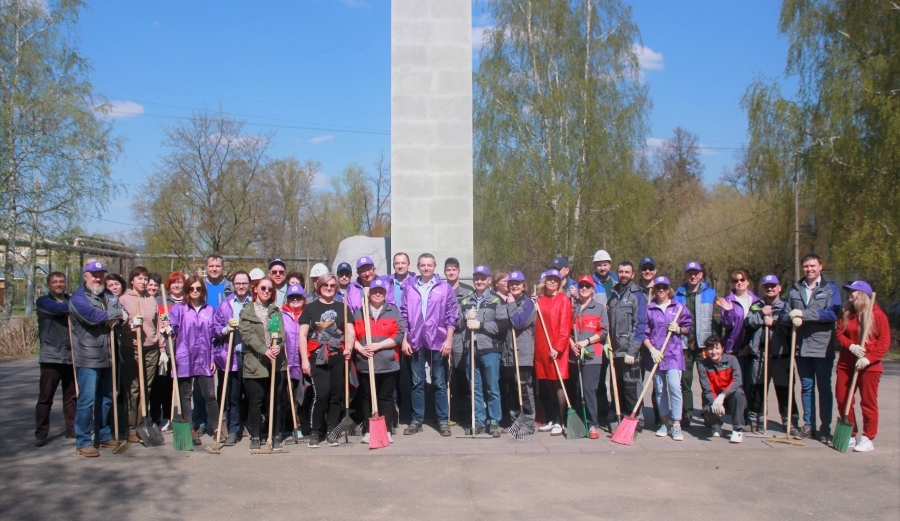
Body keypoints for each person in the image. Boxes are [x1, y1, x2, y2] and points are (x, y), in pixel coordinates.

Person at [68, 261, 127, 457]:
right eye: (93, 274)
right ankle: (83, 441)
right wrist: (117, 314)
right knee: (87, 400)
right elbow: (92, 316)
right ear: (85, 275)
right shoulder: (78, 298)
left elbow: (122, 315)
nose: (97, 278)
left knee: (107, 398)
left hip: (109, 355)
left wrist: (117, 316)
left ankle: (103, 435)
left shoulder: (109, 295)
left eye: (100, 274)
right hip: (88, 357)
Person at [782, 253, 842, 442]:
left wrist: (805, 314)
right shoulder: (795, 289)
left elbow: (832, 314)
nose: (809, 269)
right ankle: (809, 426)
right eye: (806, 266)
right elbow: (785, 312)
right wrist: (790, 316)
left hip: (822, 347)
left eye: (813, 266)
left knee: (824, 388)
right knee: (806, 388)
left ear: (820, 267)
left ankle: (825, 428)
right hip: (800, 347)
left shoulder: (830, 289)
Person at [400, 253, 457, 437]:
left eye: (429, 265)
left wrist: (448, 339)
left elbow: (451, 315)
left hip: (438, 341)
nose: (426, 268)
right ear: (417, 267)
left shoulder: (444, 288)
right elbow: (403, 316)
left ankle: (442, 420)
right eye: (423, 265)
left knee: (440, 382)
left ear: (435, 266)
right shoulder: (409, 288)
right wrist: (405, 339)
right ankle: (418, 419)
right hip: (416, 341)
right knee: (417, 382)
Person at [298, 272, 355, 448]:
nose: (329, 288)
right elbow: (302, 335)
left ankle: (332, 431)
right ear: (319, 287)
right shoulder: (310, 308)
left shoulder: (343, 308)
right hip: (317, 356)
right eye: (325, 285)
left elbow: (350, 332)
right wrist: (304, 360)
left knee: (336, 395)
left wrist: (349, 348)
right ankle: (315, 430)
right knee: (321, 393)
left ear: (336, 288)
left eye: (332, 286)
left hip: (337, 356)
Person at [835, 280, 890, 452]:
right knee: (843, 399)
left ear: (863, 294)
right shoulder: (846, 312)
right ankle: (850, 434)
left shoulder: (877, 314)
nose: (849, 294)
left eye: (853, 291)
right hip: (846, 362)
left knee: (868, 402)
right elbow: (838, 333)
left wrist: (869, 358)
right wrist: (851, 345)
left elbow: (884, 341)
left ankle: (868, 437)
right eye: (848, 291)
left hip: (869, 366)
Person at [167, 275, 221, 445]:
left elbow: (214, 337)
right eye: (191, 289)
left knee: (209, 394)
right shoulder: (179, 309)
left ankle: (217, 427)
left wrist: (212, 358)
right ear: (187, 290)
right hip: (185, 356)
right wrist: (167, 328)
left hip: (204, 357)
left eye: (198, 288)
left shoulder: (210, 310)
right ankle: (189, 429)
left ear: (202, 290)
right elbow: (172, 329)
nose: (195, 291)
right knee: (185, 394)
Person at [744, 274, 798, 434]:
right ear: (762, 288)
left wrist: (774, 322)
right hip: (760, 354)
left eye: (773, 286)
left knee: (785, 390)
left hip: (781, 355)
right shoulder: (756, 305)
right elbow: (747, 323)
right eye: (766, 286)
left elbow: (789, 328)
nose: (770, 288)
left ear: (779, 288)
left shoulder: (787, 306)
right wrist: (761, 314)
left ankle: (790, 422)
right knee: (757, 389)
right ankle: (756, 421)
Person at [353, 278, 404, 443]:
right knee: (367, 397)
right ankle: (369, 430)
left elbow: (399, 335)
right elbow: (350, 335)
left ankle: (387, 428)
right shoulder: (360, 312)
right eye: (374, 291)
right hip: (365, 362)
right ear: (369, 294)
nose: (377, 294)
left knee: (385, 397)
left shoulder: (393, 311)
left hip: (387, 363)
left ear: (385, 294)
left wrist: (377, 346)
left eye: (380, 292)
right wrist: (361, 349)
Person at [240, 276, 287, 452]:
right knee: (256, 401)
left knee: (275, 401)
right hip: (256, 362)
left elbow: (282, 333)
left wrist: (277, 347)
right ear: (256, 290)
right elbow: (247, 335)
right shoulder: (247, 311)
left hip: (276, 362)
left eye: (270, 289)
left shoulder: (276, 311)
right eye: (263, 288)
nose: (266, 291)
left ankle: (274, 435)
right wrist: (264, 349)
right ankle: (255, 436)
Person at [643, 276, 692, 441]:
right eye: (658, 287)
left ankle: (676, 423)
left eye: (664, 287)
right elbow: (644, 333)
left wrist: (679, 329)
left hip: (674, 354)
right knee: (660, 390)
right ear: (654, 290)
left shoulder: (678, 307)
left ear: (669, 289)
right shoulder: (649, 309)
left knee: (674, 388)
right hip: (657, 355)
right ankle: (664, 422)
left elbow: (688, 327)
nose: (661, 290)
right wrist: (651, 350)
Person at [459, 265, 506, 436]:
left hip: (490, 349)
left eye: (483, 278)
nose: (479, 281)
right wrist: (465, 318)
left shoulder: (496, 300)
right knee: (475, 388)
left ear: (488, 281)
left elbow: (502, 325)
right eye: (476, 278)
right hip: (471, 349)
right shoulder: (466, 301)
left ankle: (493, 421)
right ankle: (478, 420)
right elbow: (456, 325)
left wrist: (480, 325)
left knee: (492, 387)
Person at [119, 266, 165, 444]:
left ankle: (141, 425)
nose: (143, 281)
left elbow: (157, 326)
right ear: (132, 280)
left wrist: (162, 350)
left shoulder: (151, 299)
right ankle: (130, 428)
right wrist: (129, 325)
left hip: (151, 349)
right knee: (134, 389)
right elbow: (117, 327)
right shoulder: (123, 299)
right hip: (132, 348)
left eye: (145, 278)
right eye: (139, 278)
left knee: (146, 389)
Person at [34, 272, 76, 447]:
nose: (58, 284)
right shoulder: (43, 302)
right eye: (55, 282)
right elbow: (60, 309)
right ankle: (41, 433)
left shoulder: (71, 300)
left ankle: (71, 429)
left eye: (61, 281)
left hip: (71, 356)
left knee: (71, 396)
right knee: (46, 397)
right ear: (49, 284)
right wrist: (77, 306)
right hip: (51, 356)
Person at [212, 270, 253, 446]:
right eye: (238, 283)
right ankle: (234, 429)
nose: (241, 286)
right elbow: (214, 328)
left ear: (249, 285)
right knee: (233, 396)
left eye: (244, 283)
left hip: (253, 357)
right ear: (233, 285)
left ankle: (253, 428)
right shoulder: (225, 306)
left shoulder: (256, 303)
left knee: (253, 395)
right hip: (232, 356)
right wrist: (225, 330)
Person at [674, 261, 717, 426]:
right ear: (685, 275)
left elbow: (716, 321)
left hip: (704, 346)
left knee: (707, 380)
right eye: (689, 273)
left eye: (696, 273)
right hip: (684, 345)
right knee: (684, 381)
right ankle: (687, 413)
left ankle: (708, 413)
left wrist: (714, 342)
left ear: (701, 275)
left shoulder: (711, 294)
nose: (693, 276)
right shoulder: (678, 294)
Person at [607, 262, 648, 433]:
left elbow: (640, 325)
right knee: (617, 385)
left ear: (632, 275)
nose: (623, 274)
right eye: (621, 271)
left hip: (630, 352)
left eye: (627, 272)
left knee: (631, 387)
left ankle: (636, 419)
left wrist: (633, 351)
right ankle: (622, 416)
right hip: (614, 351)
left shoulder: (638, 295)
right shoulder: (614, 294)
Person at [496, 270, 536, 435]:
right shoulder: (507, 302)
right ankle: (515, 422)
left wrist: (511, 304)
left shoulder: (528, 304)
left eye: (517, 284)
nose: (514, 286)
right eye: (511, 284)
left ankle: (528, 423)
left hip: (523, 354)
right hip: (509, 353)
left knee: (524, 389)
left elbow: (519, 322)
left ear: (523, 285)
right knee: (512, 390)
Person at [569, 275, 609, 439]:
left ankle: (593, 424)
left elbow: (604, 332)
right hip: (575, 355)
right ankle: (580, 423)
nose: (584, 288)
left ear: (592, 289)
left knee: (589, 389)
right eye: (581, 285)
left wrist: (585, 342)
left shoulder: (599, 308)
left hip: (593, 355)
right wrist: (572, 343)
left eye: (587, 286)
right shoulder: (573, 308)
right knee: (577, 390)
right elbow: (567, 331)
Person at [533, 269, 573, 436]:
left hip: (556, 348)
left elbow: (565, 326)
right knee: (547, 385)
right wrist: (533, 303)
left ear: (560, 283)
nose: (552, 282)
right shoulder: (540, 300)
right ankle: (550, 419)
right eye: (549, 279)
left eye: (555, 280)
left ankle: (560, 421)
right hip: (542, 348)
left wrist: (558, 347)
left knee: (558, 384)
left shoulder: (563, 300)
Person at [149, 272, 185, 432]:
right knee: (159, 384)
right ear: (168, 285)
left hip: (181, 349)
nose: (177, 286)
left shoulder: (187, 302)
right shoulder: (159, 301)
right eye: (173, 283)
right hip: (164, 350)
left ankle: (170, 416)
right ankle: (156, 416)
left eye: (180, 283)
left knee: (174, 385)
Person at [698, 335, 746, 443]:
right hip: (714, 398)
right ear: (706, 350)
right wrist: (715, 402)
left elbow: (737, 380)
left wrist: (723, 395)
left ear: (722, 349)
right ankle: (715, 424)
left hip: (729, 397)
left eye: (717, 348)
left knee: (738, 393)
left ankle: (738, 430)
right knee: (708, 408)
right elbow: (707, 388)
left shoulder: (732, 359)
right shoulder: (702, 365)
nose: (714, 352)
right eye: (710, 349)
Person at [445, 257, 474, 425]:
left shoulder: (468, 291)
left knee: (461, 374)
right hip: (444, 338)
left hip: (461, 338)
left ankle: (464, 412)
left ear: (459, 272)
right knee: (446, 376)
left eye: (454, 269)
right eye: (448, 269)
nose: (451, 272)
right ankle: (449, 413)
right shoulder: (440, 289)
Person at [280, 283, 306, 440]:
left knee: (300, 397)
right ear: (287, 299)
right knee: (284, 397)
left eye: (298, 297)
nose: (295, 300)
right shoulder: (281, 315)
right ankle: (284, 426)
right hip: (286, 362)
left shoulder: (307, 314)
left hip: (302, 362)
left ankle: (300, 425)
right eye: (292, 297)